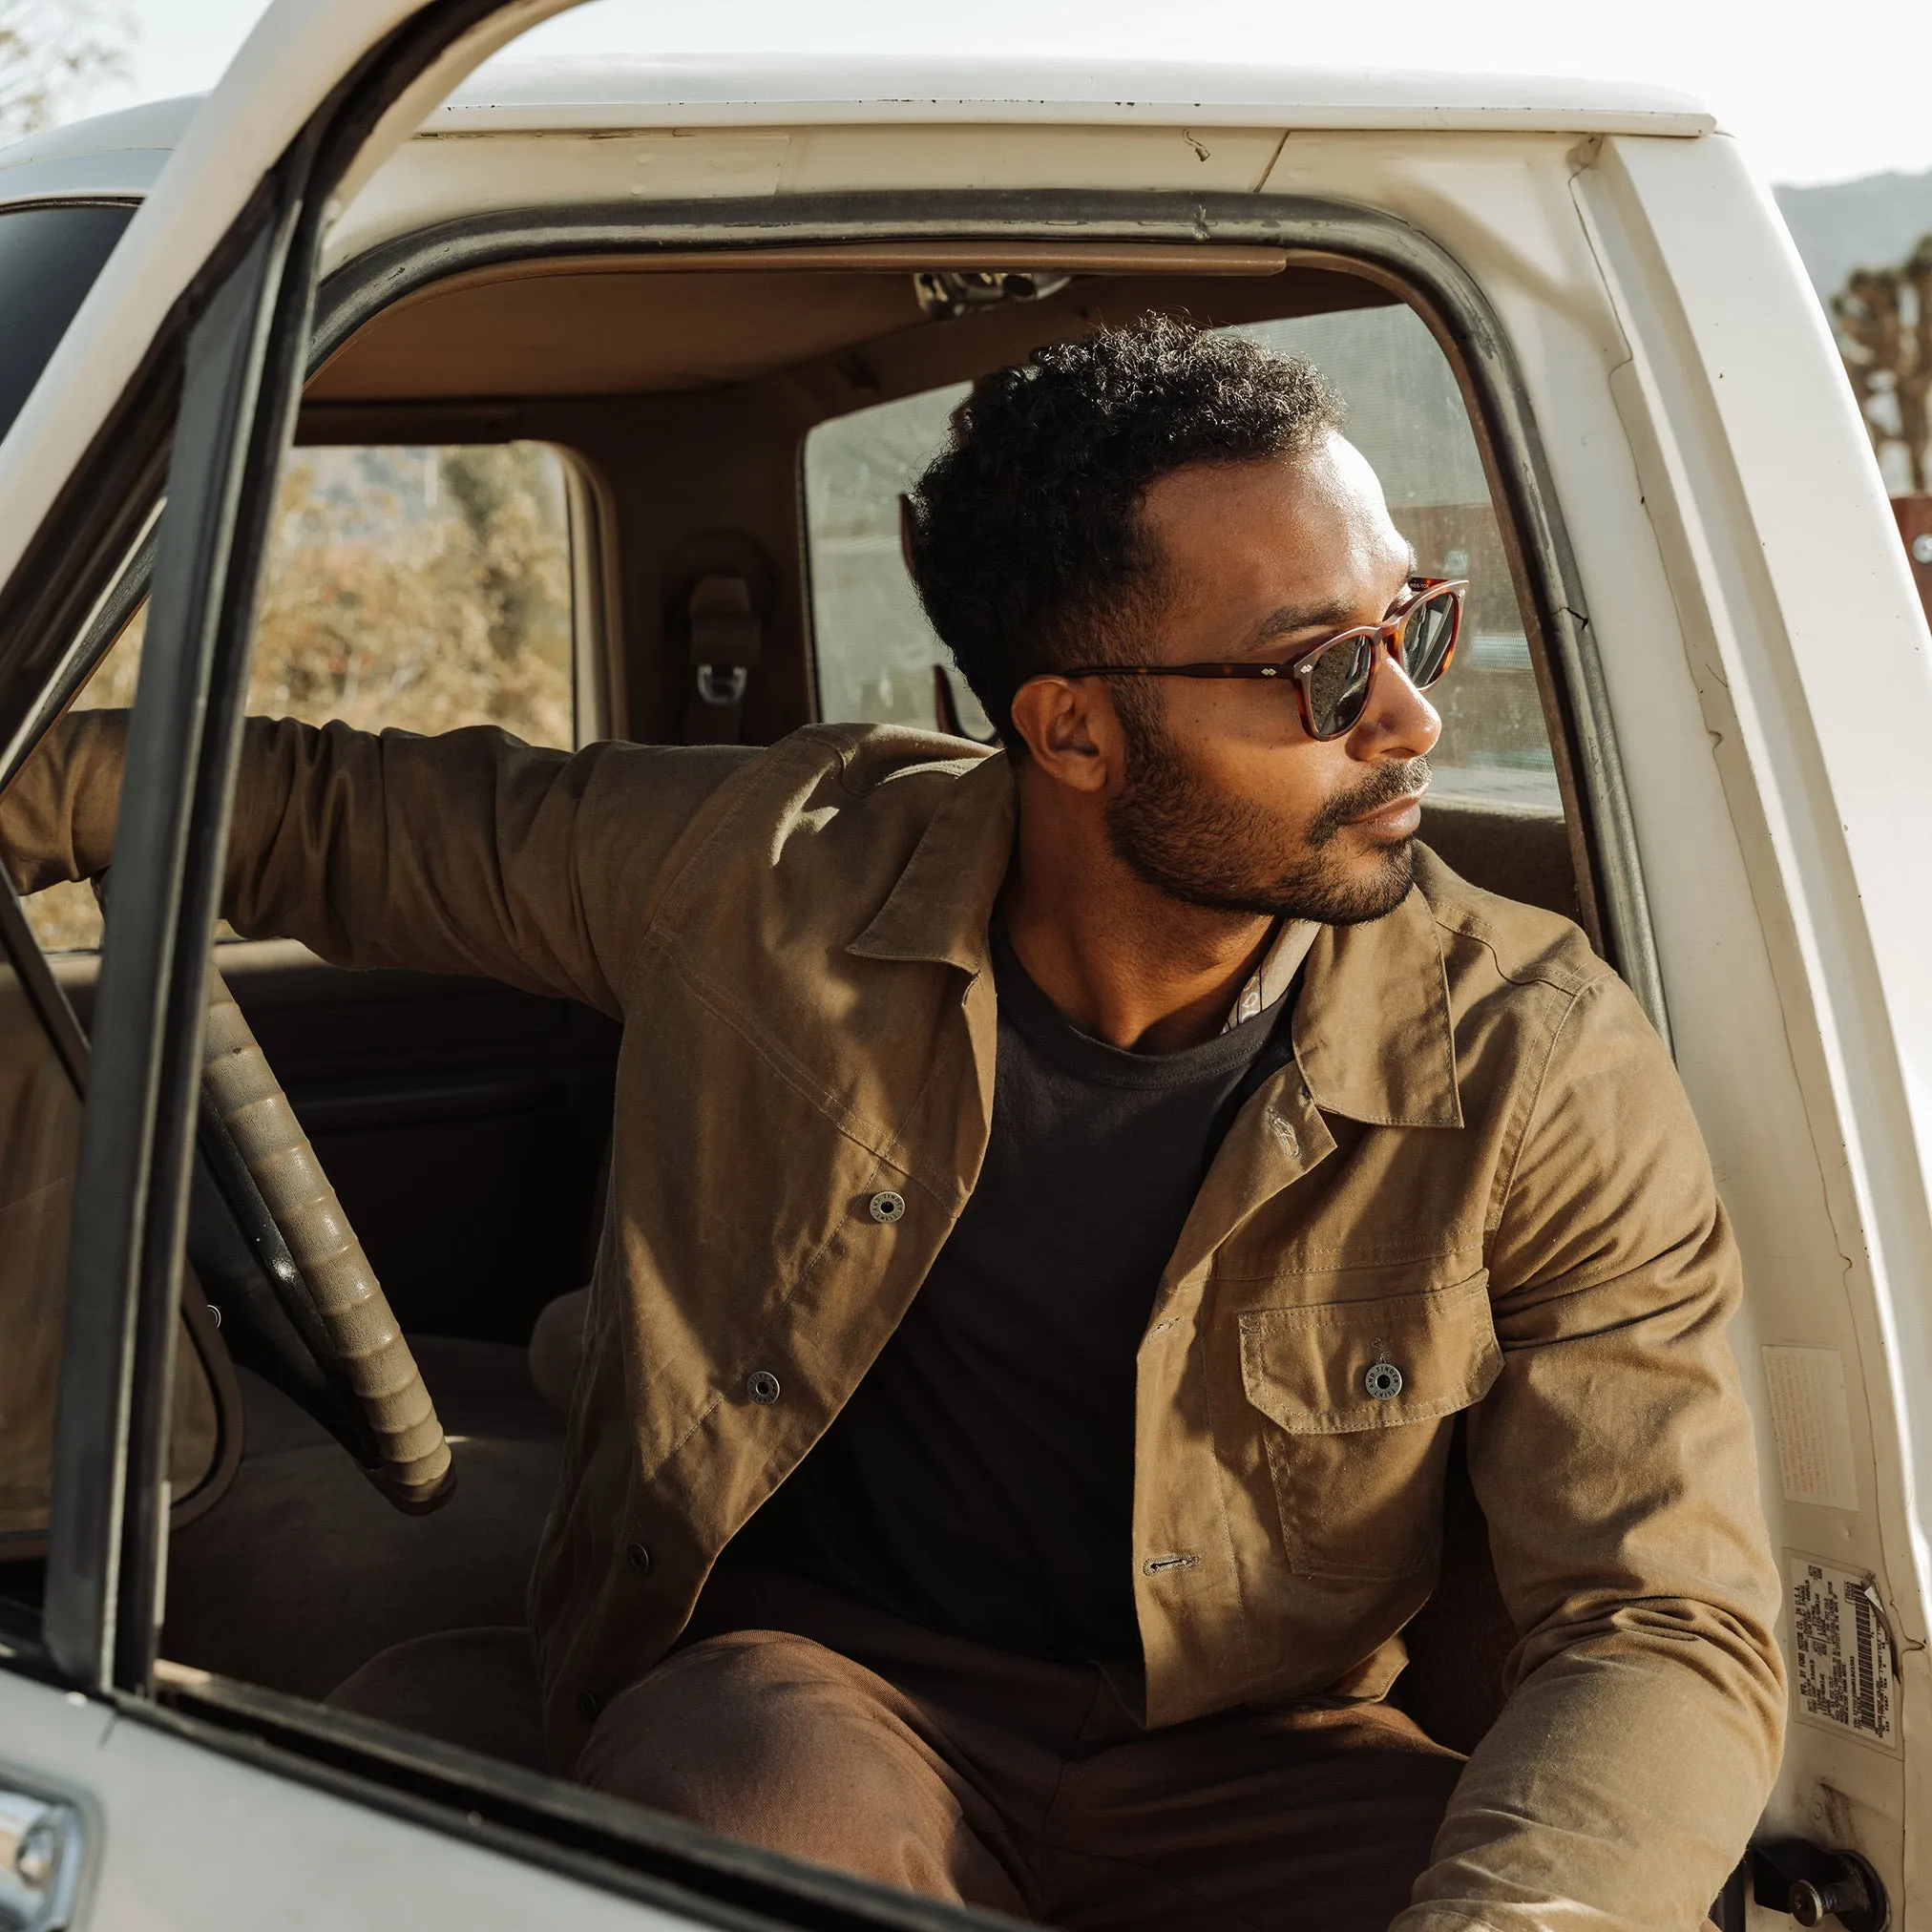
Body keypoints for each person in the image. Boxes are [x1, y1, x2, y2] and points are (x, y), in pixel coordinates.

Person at [2, 317, 1782, 1931]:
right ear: (1070, 730)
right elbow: (323, 813)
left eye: (1416, 626)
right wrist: (28, 794)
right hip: (828, 1704)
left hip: (1274, 1753)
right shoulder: (767, 872)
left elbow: (1661, 1617)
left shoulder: (1533, 1052)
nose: (1409, 718)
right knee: (734, 1811)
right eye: (1324, 671)